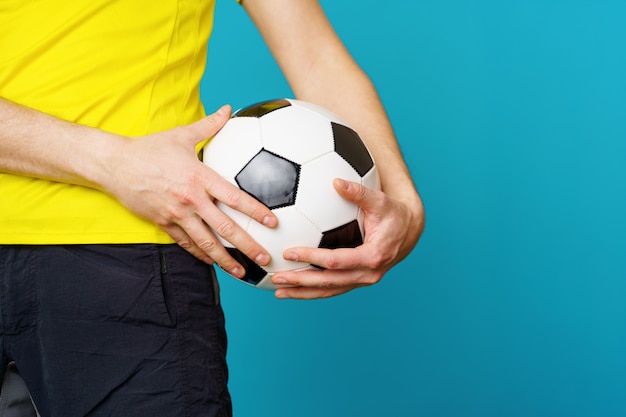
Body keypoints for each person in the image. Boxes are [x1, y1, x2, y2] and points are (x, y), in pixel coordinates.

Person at [0, 0, 425, 415]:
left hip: (127, 252)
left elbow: (315, 57)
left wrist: (406, 206)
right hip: (128, 242)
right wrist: (114, 162)